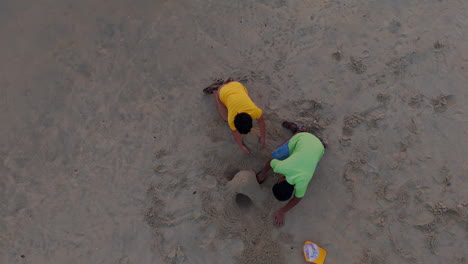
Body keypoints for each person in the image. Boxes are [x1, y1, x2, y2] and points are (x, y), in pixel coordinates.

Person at [256, 121, 326, 227]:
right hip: (310, 143)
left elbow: (297, 198)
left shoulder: (302, 182)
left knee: (276, 154)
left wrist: (282, 211)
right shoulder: (282, 167)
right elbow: (272, 162)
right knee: (276, 155)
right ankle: (302, 134)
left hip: (319, 148)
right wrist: (262, 173)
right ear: (279, 180)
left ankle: (303, 134)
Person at [204, 78, 266, 154]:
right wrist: (241, 146)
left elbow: (261, 122)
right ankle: (215, 91)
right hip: (227, 88)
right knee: (225, 117)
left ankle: (229, 82)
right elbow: (261, 122)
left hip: (235, 85)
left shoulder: (255, 111)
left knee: (247, 99)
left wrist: (263, 137)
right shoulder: (231, 119)